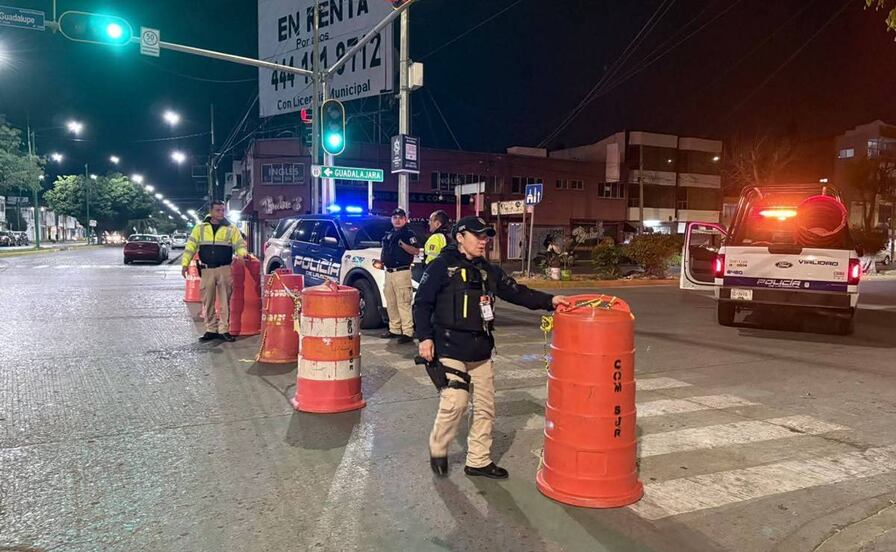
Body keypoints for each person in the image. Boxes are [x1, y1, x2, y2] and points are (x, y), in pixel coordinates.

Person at [414, 216, 569, 479]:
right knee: (456, 401)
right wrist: (425, 338)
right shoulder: (442, 266)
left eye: (486, 236)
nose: (484, 241)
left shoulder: (489, 270)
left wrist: (551, 301)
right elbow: (422, 303)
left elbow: (518, 293)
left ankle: (478, 461)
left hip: (481, 349)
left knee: (486, 408)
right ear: (460, 237)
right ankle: (439, 448)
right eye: (478, 236)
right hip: (449, 346)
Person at [181, 200, 249, 343]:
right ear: (210, 211)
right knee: (208, 301)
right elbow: (190, 247)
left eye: (223, 210)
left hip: (224, 269)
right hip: (207, 270)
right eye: (218, 210)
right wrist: (185, 264)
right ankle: (211, 329)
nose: (221, 213)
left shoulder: (231, 228)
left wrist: (243, 254)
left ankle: (224, 330)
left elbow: (239, 244)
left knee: (225, 302)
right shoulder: (200, 228)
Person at [380, 208, 420, 343]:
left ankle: (408, 332)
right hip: (389, 272)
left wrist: (403, 245)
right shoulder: (389, 234)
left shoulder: (409, 234)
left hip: (402, 272)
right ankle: (395, 329)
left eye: (400, 217)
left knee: (404, 302)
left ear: (405, 219)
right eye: (394, 217)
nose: (397, 220)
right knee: (391, 302)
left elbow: (415, 250)